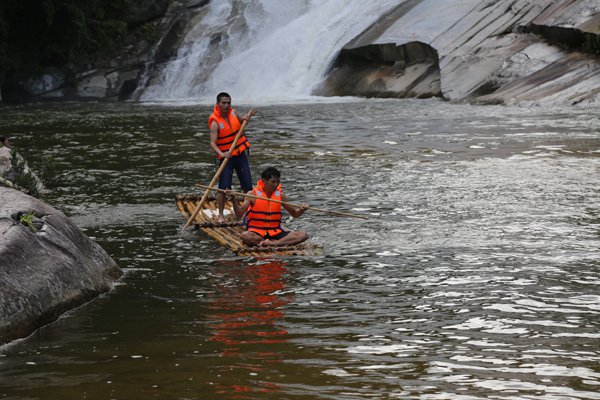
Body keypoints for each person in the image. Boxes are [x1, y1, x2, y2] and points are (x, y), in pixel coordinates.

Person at [227, 167, 309, 247]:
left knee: (303, 235)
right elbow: (239, 214)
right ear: (264, 181)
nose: (276, 185)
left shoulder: (281, 196)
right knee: (245, 236)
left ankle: (272, 243)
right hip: (257, 232)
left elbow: (295, 214)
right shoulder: (252, 194)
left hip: (275, 232)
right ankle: (274, 242)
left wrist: (302, 210)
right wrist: (234, 199)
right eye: (273, 182)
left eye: (278, 182)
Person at [209, 92, 256, 223]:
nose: (227, 105)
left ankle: (250, 213)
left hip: (240, 154)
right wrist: (222, 153)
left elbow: (242, 121)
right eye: (224, 103)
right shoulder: (214, 122)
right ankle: (221, 215)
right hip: (226, 158)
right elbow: (213, 143)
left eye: (229, 102)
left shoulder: (234, 113)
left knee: (247, 183)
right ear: (218, 104)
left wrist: (247, 116)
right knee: (224, 187)